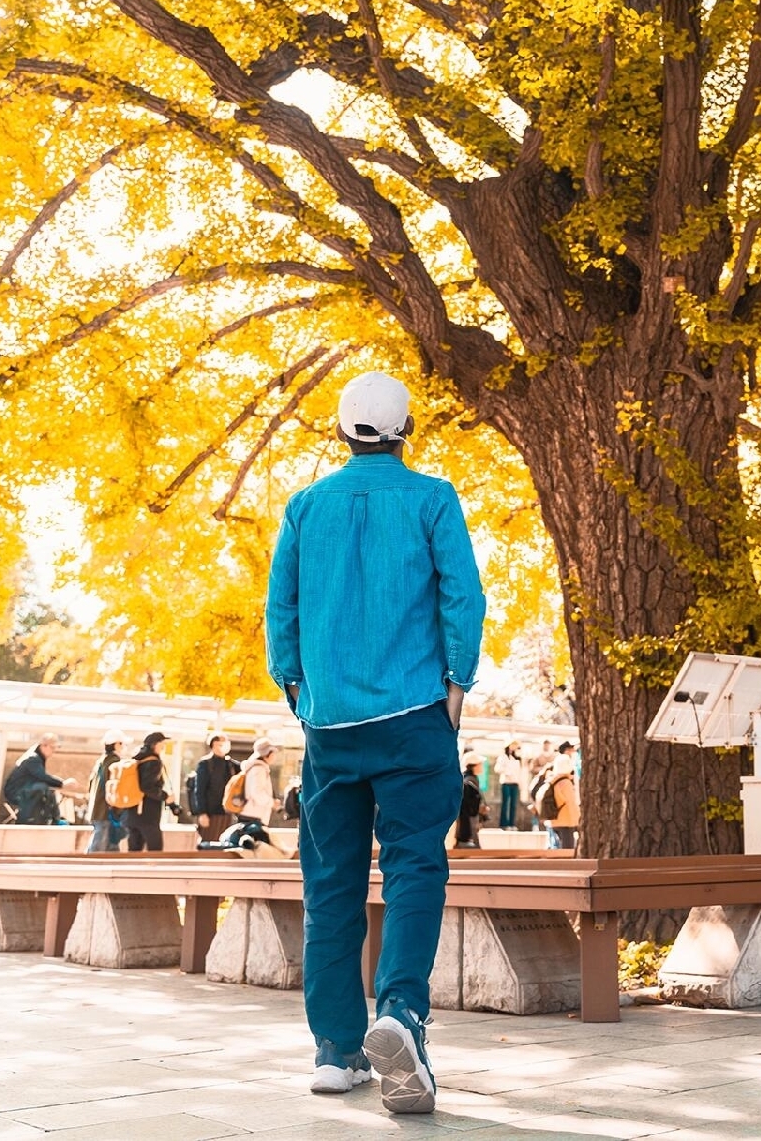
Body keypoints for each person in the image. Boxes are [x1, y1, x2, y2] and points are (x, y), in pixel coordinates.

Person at [266, 369, 486, 1109]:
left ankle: (335, 1051)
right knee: (415, 869)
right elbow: (463, 596)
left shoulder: (303, 507)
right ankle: (403, 1017)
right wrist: (456, 686)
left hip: (329, 726)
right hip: (414, 715)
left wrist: (297, 689)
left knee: (329, 888)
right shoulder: (433, 498)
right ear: (406, 430)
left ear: (341, 430)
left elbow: (282, 612)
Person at [2, 734, 78, 825]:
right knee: (42, 788)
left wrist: (60, 782)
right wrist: (62, 784)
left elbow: (42, 777)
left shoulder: (36, 757)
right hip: (16, 793)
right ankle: (49, 820)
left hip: (22, 790)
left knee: (44, 789)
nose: (54, 751)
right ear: (44, 746)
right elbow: (42, 777)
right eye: (52, 748)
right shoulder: (33, 758)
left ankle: (51, 819)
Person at [123, 731, 174, 852]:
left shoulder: (138, 759)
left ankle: (132, 871)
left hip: (133, 811)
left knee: (134, 851)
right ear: (155, 744)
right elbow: (147, 786)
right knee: (155, 850)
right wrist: (165, 796)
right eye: (162, 744)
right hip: (147, 813)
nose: (163, 747)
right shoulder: (153, 762)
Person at [193, 733, 240, 842]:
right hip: (210, 813)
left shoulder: (231, 764)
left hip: (227, 812)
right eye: (222, 743)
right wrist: (202, 813)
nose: (226, 745)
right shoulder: (205, 764)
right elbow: (199, 790)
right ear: (214, 744)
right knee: (208, 843)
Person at [85, 733, 126, 853]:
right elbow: (115, 787)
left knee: (108, 846)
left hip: (98, 810)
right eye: (122, 744)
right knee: (98, 848)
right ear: (116, 745)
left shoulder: (101, 761)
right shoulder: (114, 762)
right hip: (106, 812)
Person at [236, 739, 278, 826]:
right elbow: (257, 792)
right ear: (267, 754)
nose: (274, 756)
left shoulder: (256, 768)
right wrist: (272, 803)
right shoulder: (259, 769)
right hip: (254, 816)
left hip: (250, 814)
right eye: (273, 753)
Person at [549, 753, 580, 850]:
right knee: (567, 850)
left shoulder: (554, 780)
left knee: (558, 849)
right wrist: (578, 820)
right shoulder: (566, 783)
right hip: (566, 821)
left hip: (555, 820)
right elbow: (571, 804)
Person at [457, 753, 485, 847]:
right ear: (473, 766)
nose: (482, 767)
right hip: (468, 825)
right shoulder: (470, 781)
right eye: (480, 764)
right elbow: (469, 807)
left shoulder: (467, 779)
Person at [494, 743, 524, 830]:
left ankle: (511, 824)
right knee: (505, 803)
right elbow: (497, 769)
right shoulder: (503, 757)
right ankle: (504, 824)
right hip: (506, 782)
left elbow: (520, 772)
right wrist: (507, 772)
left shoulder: (517, 757)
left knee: (513, 804)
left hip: (515, 783)